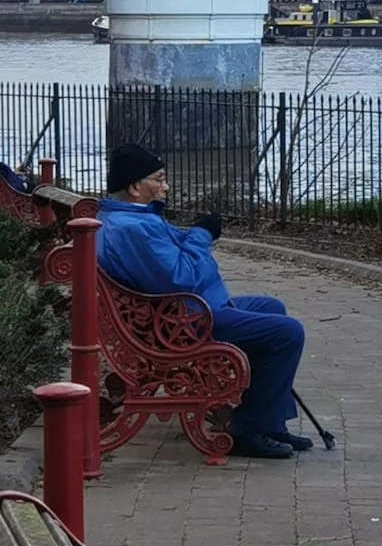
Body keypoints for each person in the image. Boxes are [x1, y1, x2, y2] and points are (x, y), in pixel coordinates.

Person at [97, 143, 309, 461]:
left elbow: (173, 258)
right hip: (182, 323)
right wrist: (201, 235)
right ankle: (249, 430)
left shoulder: (132, 219)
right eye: (159, 179)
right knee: (288, 332)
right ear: (135, 187)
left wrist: (197, 232)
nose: (166, 186)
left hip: (180, 313)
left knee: (271, 308)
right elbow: (182, 277)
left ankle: (270, 422)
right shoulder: (132, 229)